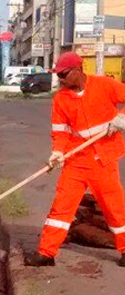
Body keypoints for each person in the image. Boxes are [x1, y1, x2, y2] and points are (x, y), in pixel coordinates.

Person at [24, 52, 125, 267]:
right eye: (58, 75)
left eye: (63, 74)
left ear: (78, 70)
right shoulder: (61, 99)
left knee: (114, 208)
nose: (60, 79)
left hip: (103, 160)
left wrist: (121, 118)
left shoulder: (104, 85)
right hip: (76, 160)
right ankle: (46, 253)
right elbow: (60, 132)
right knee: (61, 207)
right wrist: (57, 152)